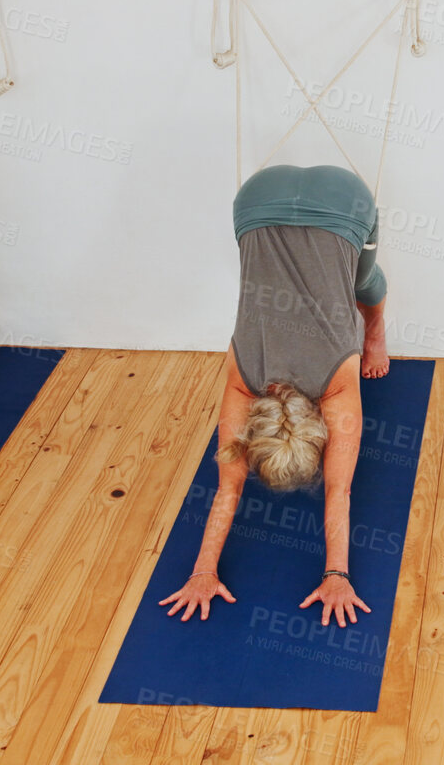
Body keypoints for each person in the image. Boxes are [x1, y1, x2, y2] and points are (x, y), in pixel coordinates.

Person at [160, 164, 391, 628]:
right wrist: (202, 571)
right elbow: (236, 484)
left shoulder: (338, 384)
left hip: (343, 198)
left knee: (364, 283)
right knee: (358, 278)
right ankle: (375, 330)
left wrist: (337, 575)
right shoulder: (243, 378)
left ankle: (376, 336)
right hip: (256, 198)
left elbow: (337, 489)